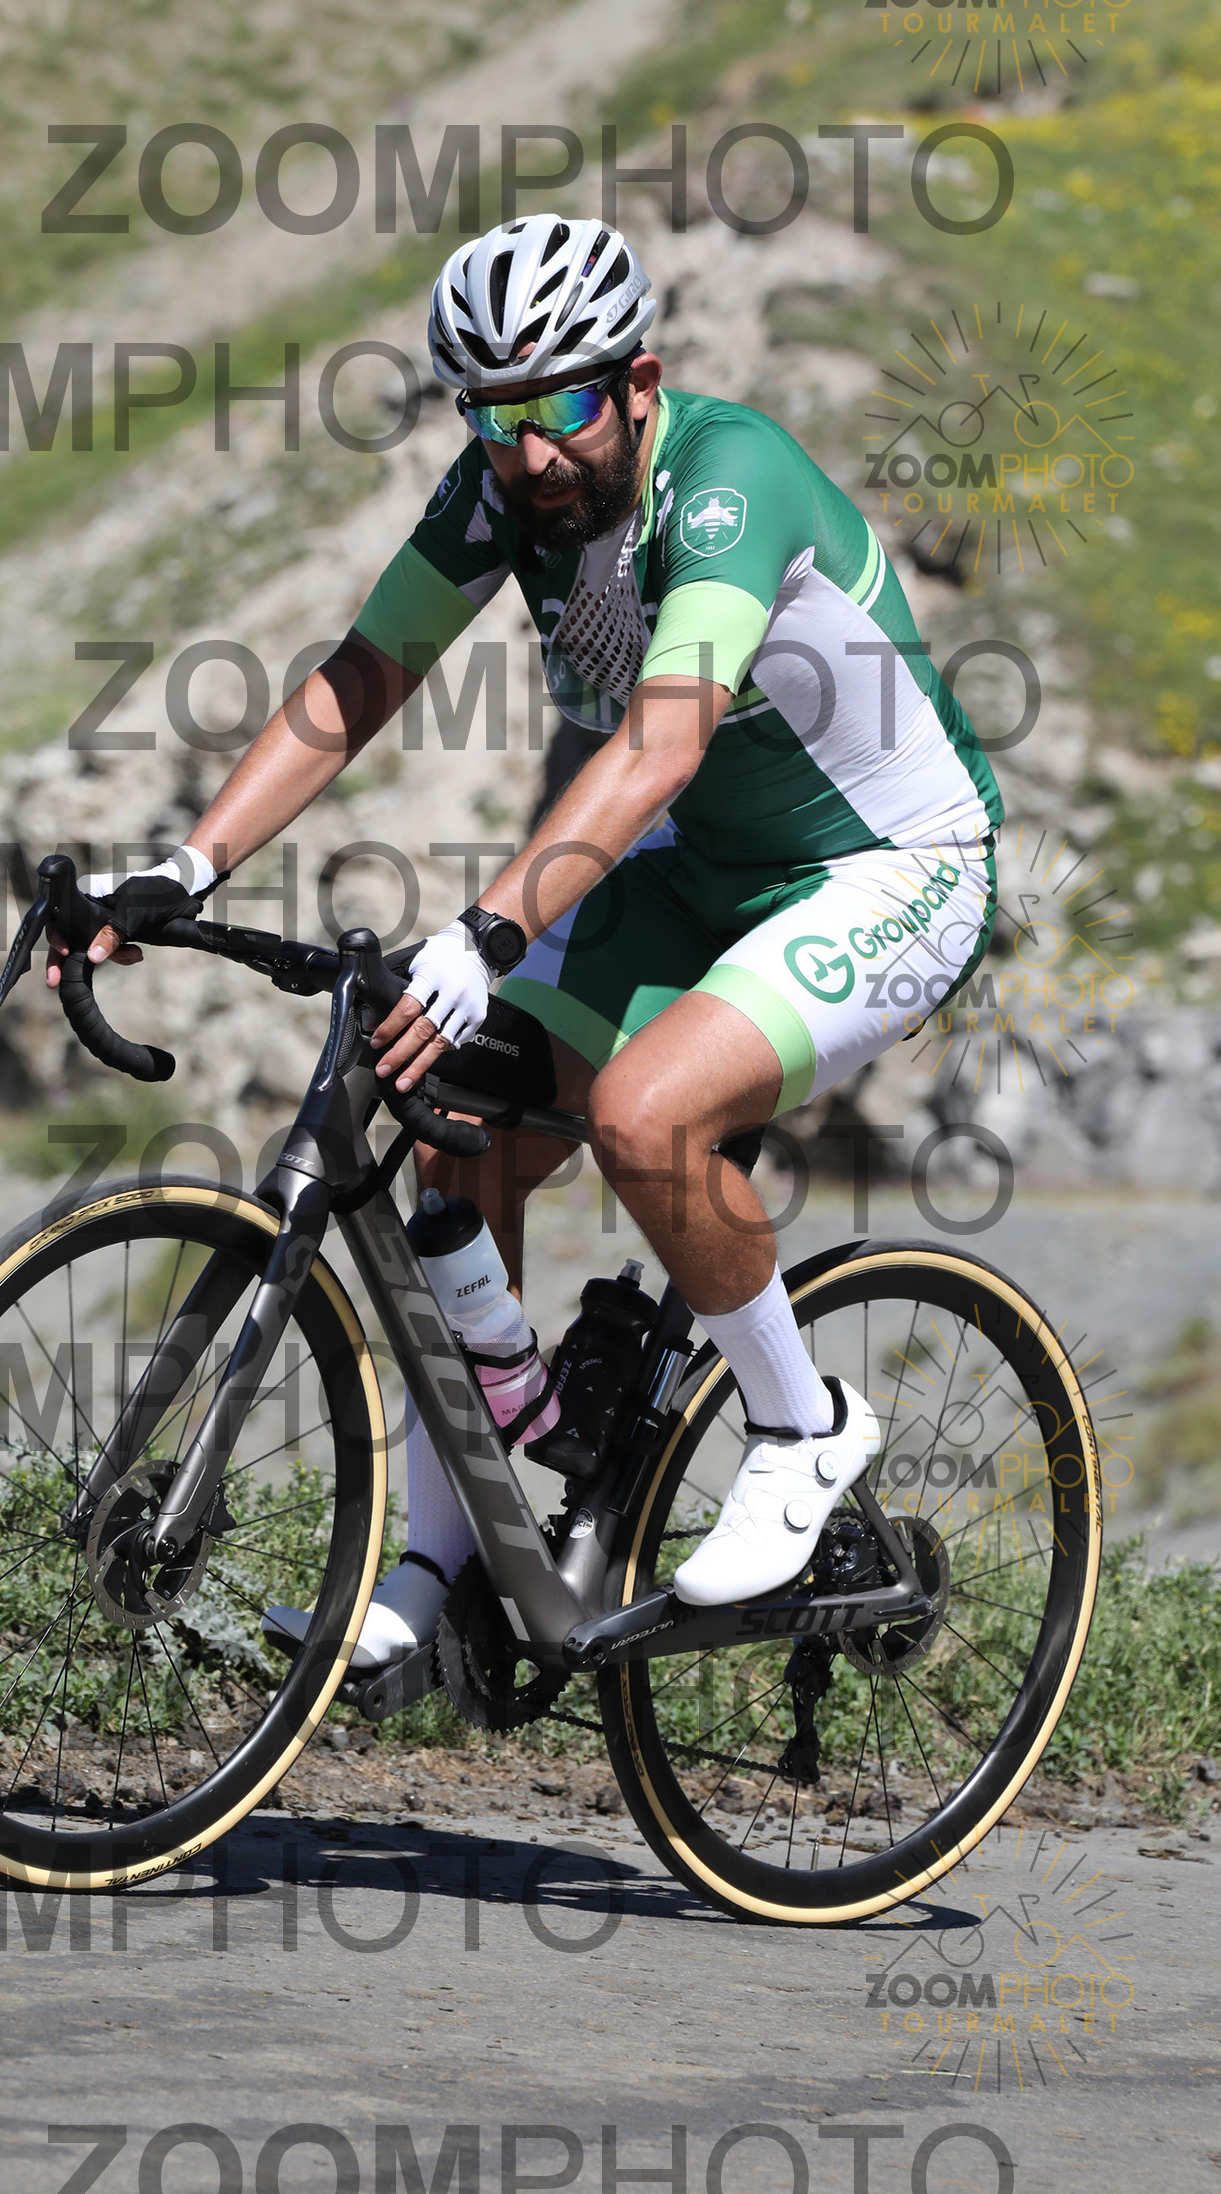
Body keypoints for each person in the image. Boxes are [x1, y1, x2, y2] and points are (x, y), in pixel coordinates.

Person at [49, 214, 1002, 1669]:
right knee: (457, 1128)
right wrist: (186, 865)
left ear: (639, 383)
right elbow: (363, 675)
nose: (534, 451)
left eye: (562, 409)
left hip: (890, 867)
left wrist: (489, 930)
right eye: (497, 418)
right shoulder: (504, 491)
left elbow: (662, 742)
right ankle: (444, 1565)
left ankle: (804, 1424)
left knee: (645, 1114)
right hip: (700, 869)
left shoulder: (729, 481)